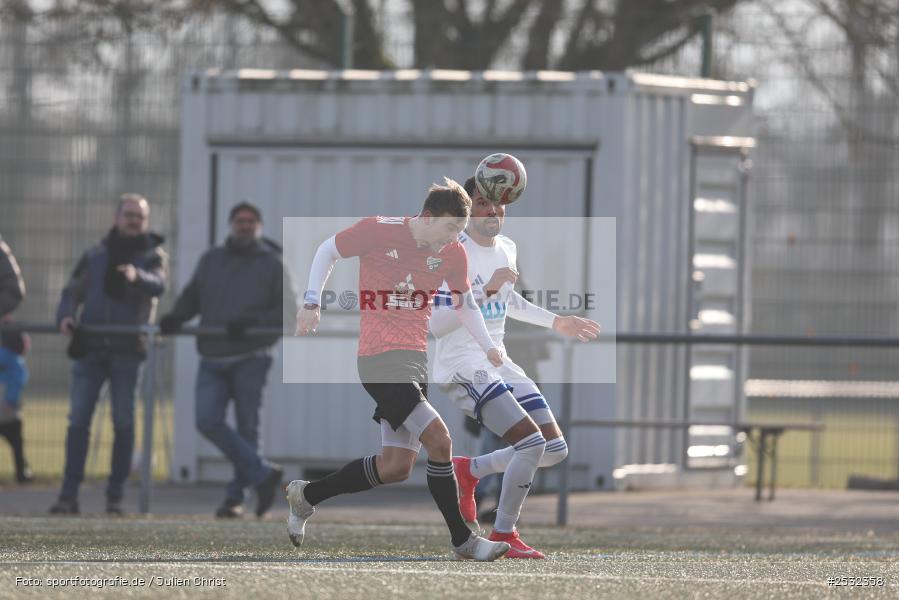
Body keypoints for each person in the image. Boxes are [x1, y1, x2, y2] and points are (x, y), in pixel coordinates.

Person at [287, 178, 511, 561]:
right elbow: (328, 250)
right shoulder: (378, 229)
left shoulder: (453, 252)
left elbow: (464, 305)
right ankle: (464, 540)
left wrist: (489, 347)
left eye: (459, 231)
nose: (452, 239)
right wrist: (312, 301)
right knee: (440, 440)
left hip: (414, 361)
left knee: (395, 467)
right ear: (426, 216)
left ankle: (306, 496)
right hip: (378, 360)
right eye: (448, 228)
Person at [429, 175, 600, 558]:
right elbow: (437, 325)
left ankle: (470, 469)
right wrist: (485, 289)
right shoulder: (452, 251)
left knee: (554, 449)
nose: (491, 209)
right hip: (462, 363)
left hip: (498, 359)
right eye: (481, 202)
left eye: (497, 202)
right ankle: (504, 532)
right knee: (530, 443)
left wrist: (557, 321)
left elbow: (511, 302)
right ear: (466, 208)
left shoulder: (506, 247)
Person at [160, 202, 294, 519]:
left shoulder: (273, 263)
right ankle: (263, 474)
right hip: (213, 356)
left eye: (250, 221)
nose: (244, 226)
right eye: (239, 221)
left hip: (253, 356)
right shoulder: (212, 260)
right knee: (206, 420)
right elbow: (193, 296)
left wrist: (252, 325)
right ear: (230, 224)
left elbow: (289, 310)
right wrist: (176, 317)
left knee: (248, 428)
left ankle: (235, 498)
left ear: (259, 225)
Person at [51, 194, 167, 515]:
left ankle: (114, 497)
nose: (133, 221)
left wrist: (136, 276)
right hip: (90, 350)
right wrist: (64, 316)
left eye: (139, 216)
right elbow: (71, 291)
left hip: (128, 352)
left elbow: (159, 285)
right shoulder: (96, 254)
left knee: (124, 423)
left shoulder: (152, 256)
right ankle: (68, 495)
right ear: (116, 218)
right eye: (128, 214)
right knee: (77, 422)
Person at [0, 235, 32, 483]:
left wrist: (10, 399)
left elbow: (13, 290)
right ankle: (23, 471)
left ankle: (22, 471)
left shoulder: (9, 357)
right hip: (7, 407)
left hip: (5, 408)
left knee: (14, 435)